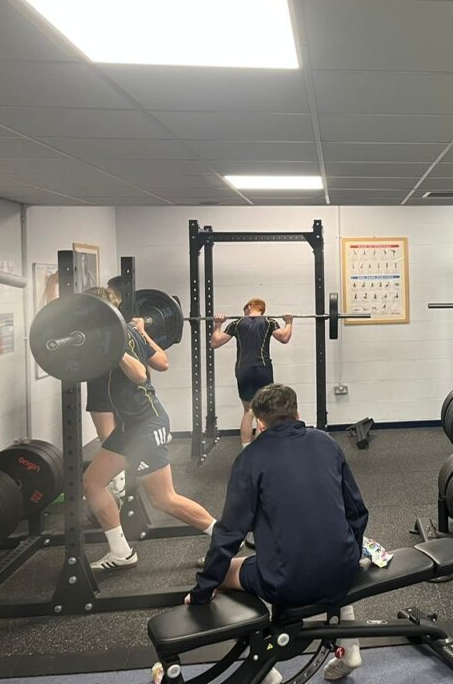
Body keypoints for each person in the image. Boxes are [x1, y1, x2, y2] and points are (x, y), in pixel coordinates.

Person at [190, 383, 369, 683]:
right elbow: (358, 512)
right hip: (344, 570)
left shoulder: (249, 459)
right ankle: (349, 647)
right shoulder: (326, 442)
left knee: (225, 571)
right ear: (297, 413)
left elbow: (229, 535)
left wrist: (202, 591)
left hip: (287, 584)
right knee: (329, 556)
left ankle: (265, 668)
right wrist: (349, 554)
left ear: (260, 423)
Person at [82, 293, 217, 572]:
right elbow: (163, 362)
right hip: (129, 427)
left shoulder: (122, 336)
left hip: (146, 423)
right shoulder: (120, 333)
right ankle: (121, 552)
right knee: (92, 482)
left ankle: (225, 538)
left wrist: (120, 348)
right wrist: (143, 333)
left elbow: (141, 374)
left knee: (163, 499)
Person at [83, 285, 168, 500]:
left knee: (162, 498)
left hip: (123, 396)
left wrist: (140, 333)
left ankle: (118, 486)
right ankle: (116, 485)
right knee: (109, 446)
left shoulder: (125, 334)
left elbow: (156, 366)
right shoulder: (129, 332)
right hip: (107, 391)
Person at [210, 298, 293, 449]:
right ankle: (261, 449)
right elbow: (284, 337)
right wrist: (289, 322)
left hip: (243, 370)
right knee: (263, 412)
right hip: (263, 369)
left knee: (248, 411)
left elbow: (215, 343)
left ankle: (247, 449)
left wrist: (218, 324)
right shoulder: (269, 322)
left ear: (249, 307)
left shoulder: (237, 323)